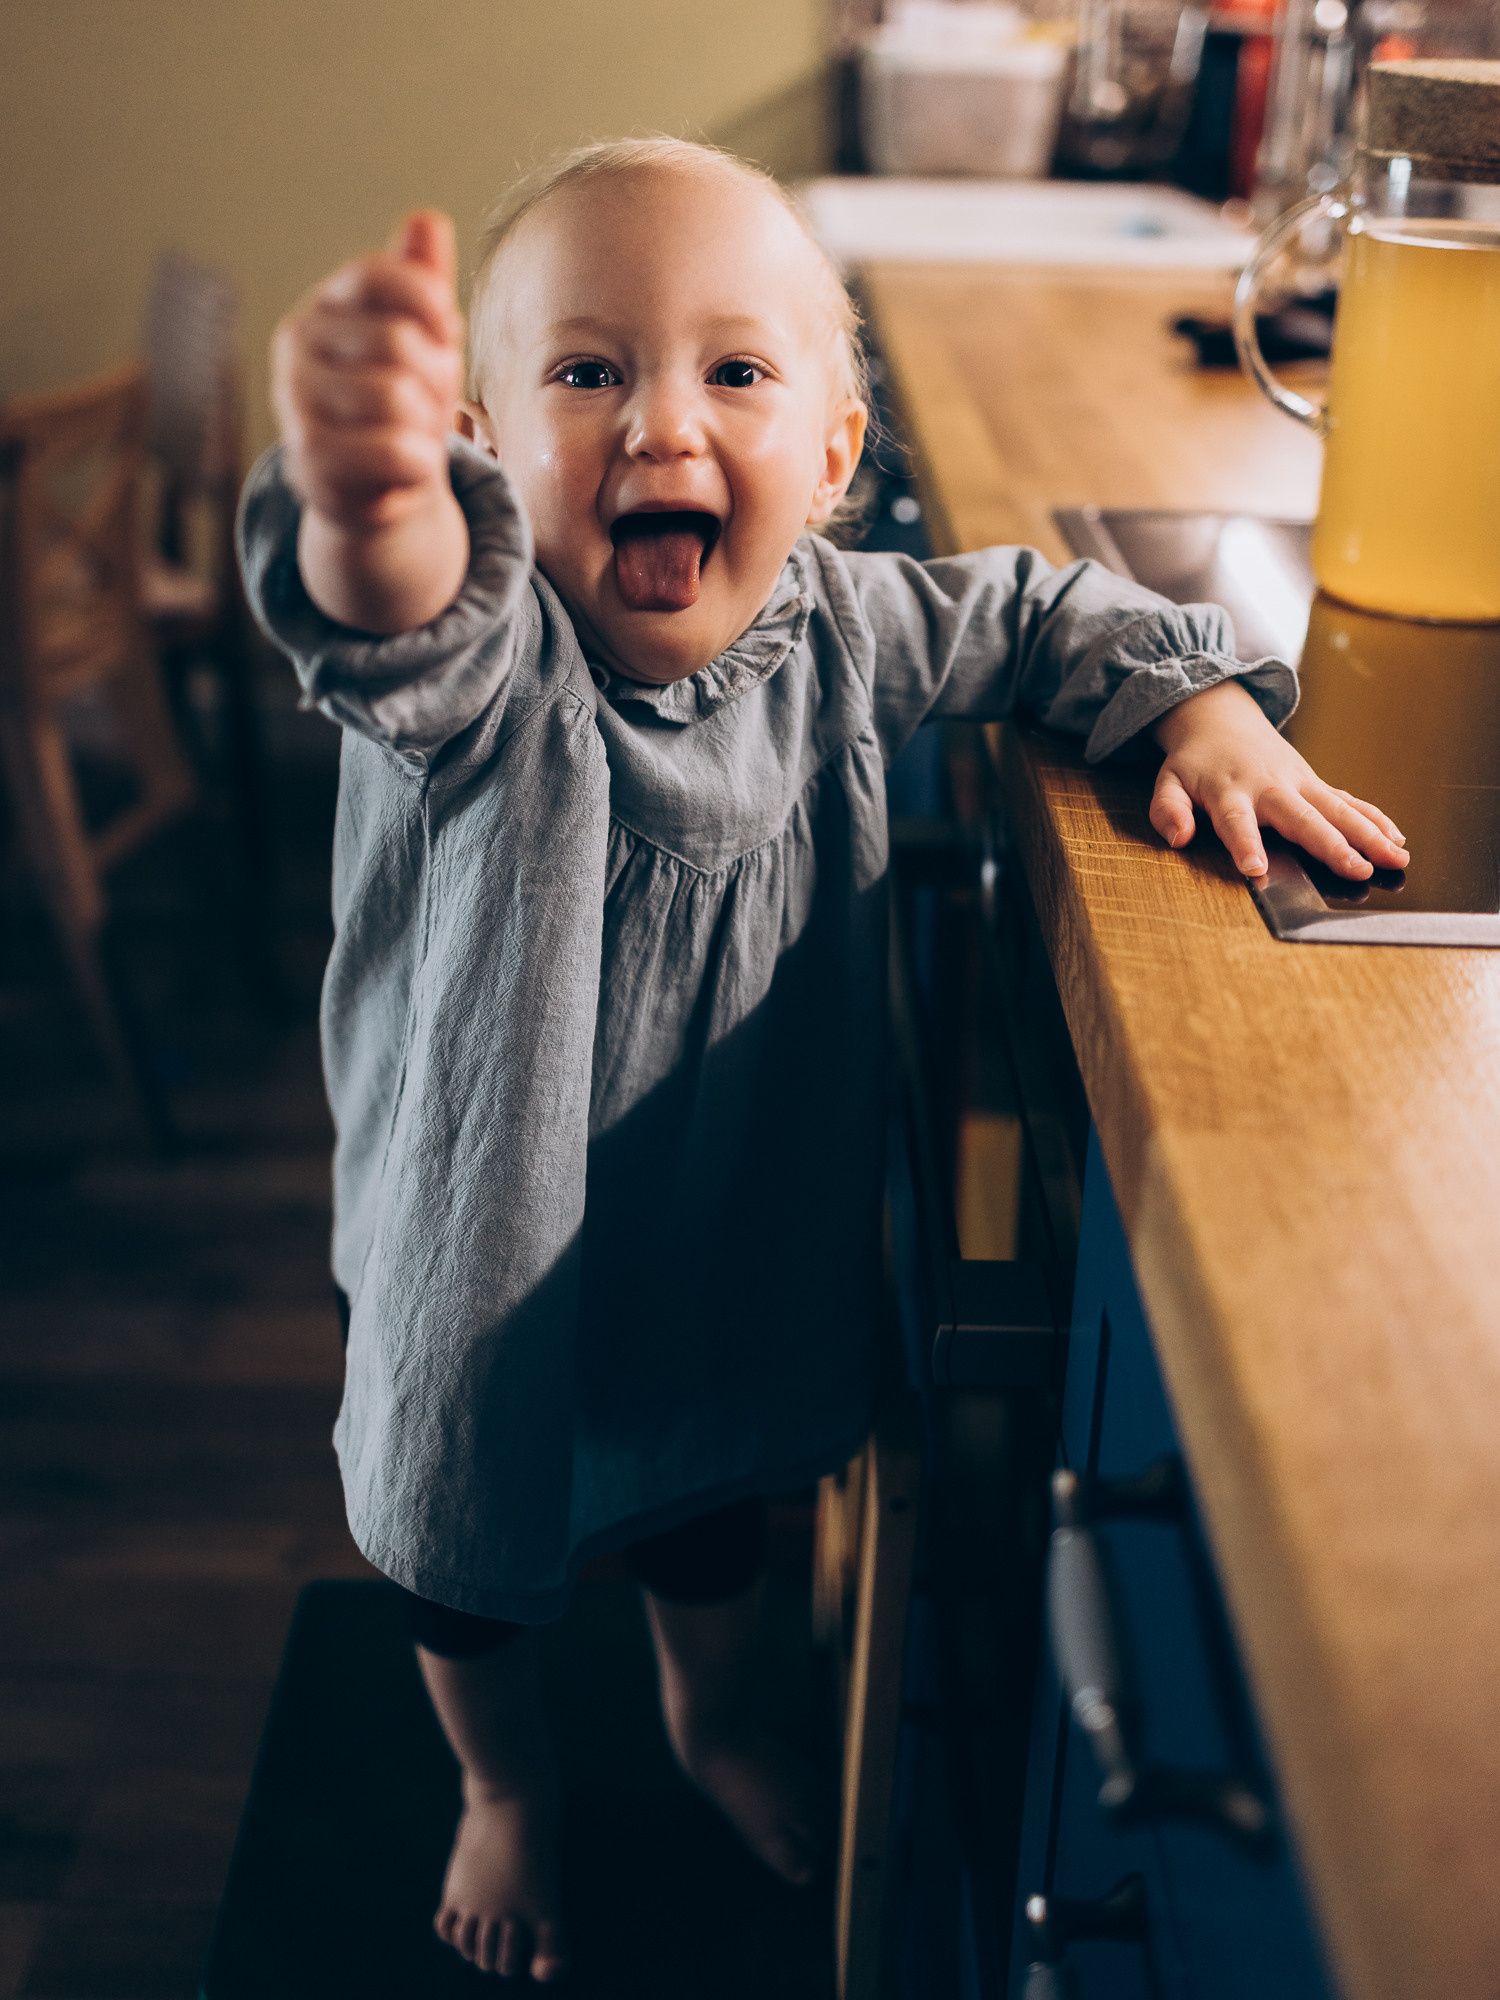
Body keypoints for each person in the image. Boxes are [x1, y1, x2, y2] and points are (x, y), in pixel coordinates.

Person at [238, 137, 1406, 1982]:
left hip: (726, 1225)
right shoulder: (488, 667)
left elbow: (1034, 612)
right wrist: (363, 494)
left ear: (840, 460)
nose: (660, 427)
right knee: (461, 1557)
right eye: (587, 371)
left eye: (736, 371)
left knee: (716, 1508)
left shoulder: (839, 632)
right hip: (477, 1243)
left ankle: (708, 1724)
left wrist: (1193, 702)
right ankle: (507, 1785)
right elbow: (385, 605)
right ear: (483, 448)